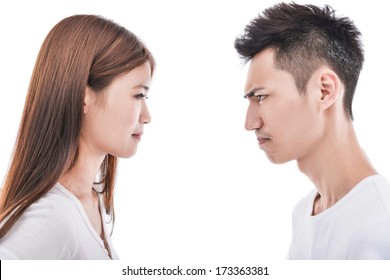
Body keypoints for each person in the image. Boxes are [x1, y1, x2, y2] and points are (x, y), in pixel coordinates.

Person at [234, 3, 390, 259]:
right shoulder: (304, 213)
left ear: (325, 91)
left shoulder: (380, 227)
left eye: (261, 97)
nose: (250, 123)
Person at [0, 14, 155, 259]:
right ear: (84, 97)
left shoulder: (93, 202)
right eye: (138, 95)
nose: (147, 116)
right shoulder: (52, 216)